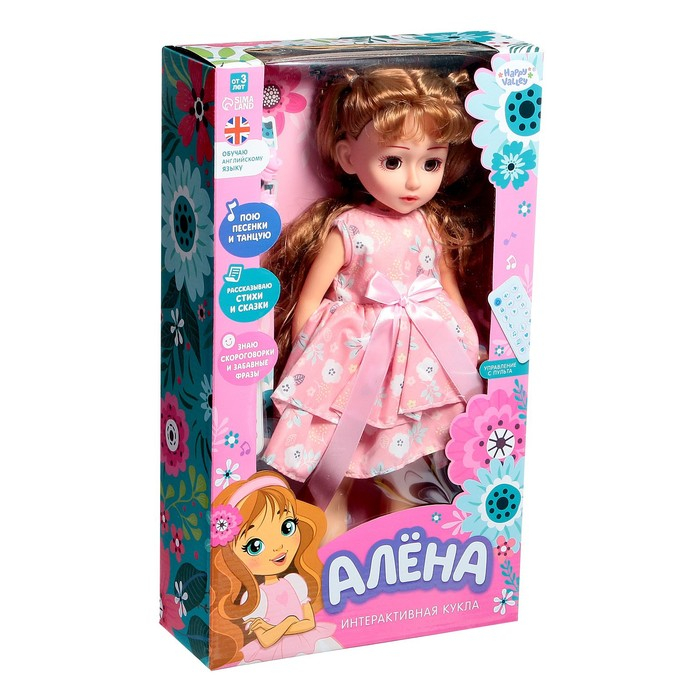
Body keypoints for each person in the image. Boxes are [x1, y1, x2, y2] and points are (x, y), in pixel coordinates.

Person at [262, 66, 486, 525]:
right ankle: (326, 544)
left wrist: (469, 343)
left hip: (421, 358)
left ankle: (404, 540)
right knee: (337, 458)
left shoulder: (429, 224)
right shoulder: (348, 227)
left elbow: (446, 287)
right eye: (394, 162)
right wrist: (302, 359)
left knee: (413, 468)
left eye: (431, 163)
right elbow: (310, 300)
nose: (413, 182)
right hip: (353, 355)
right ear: (349, 157)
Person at [209, 472, 340, 668]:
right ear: (231, 553)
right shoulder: (253, 599)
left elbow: (309, 623)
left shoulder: (295, 582)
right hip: (269, 657)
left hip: (309, 645)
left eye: (287, 527)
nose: (278, 547)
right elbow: (265, 640)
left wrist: (276, 626)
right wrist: (290, 622)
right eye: (255, 546)